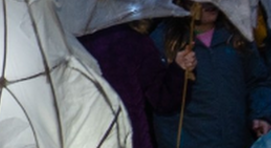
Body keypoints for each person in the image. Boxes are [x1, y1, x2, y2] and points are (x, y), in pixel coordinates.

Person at [151, 0, 271, 148]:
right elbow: (157, 100)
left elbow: (258, 81)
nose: (210, 1)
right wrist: (176, 71)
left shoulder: (236, 36)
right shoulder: (163, 42)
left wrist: (260, 115)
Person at [77, 20, 195, 148]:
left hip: (126, 138)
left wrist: (178, 70)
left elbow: (162, 97)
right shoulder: (67, 45)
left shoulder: (132, 41)